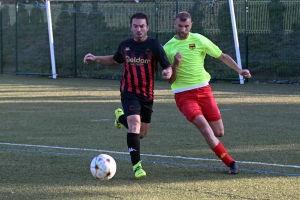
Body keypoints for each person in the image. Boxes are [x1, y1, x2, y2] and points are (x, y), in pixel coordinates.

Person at [83, 13, 176, 179]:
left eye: (142, 26)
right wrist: (96, 58)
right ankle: (137, 166)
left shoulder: (154, 45)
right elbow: (114, 60)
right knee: (134, 123)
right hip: (129, 91)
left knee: (141, 133)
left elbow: (167, 65)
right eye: (135, 26)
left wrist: (167, 72)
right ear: (131, 27)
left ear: (147, 27)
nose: (138, 29)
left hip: (147, 94)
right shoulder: (125, 45)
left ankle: (120, 118)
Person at [163, 11, 251, 174]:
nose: (183, 30)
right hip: (183, 95)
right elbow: (170, 80)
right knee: (205, 129)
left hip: (204, 90)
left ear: (191, 25)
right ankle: (231, 163)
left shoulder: (199, 39)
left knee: (219, 132)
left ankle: (214, 141)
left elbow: (222, 56)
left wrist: (240, 71)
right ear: (174, 24)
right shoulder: (168, 48)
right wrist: (174, 65)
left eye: (186, 26)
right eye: (180, 26)